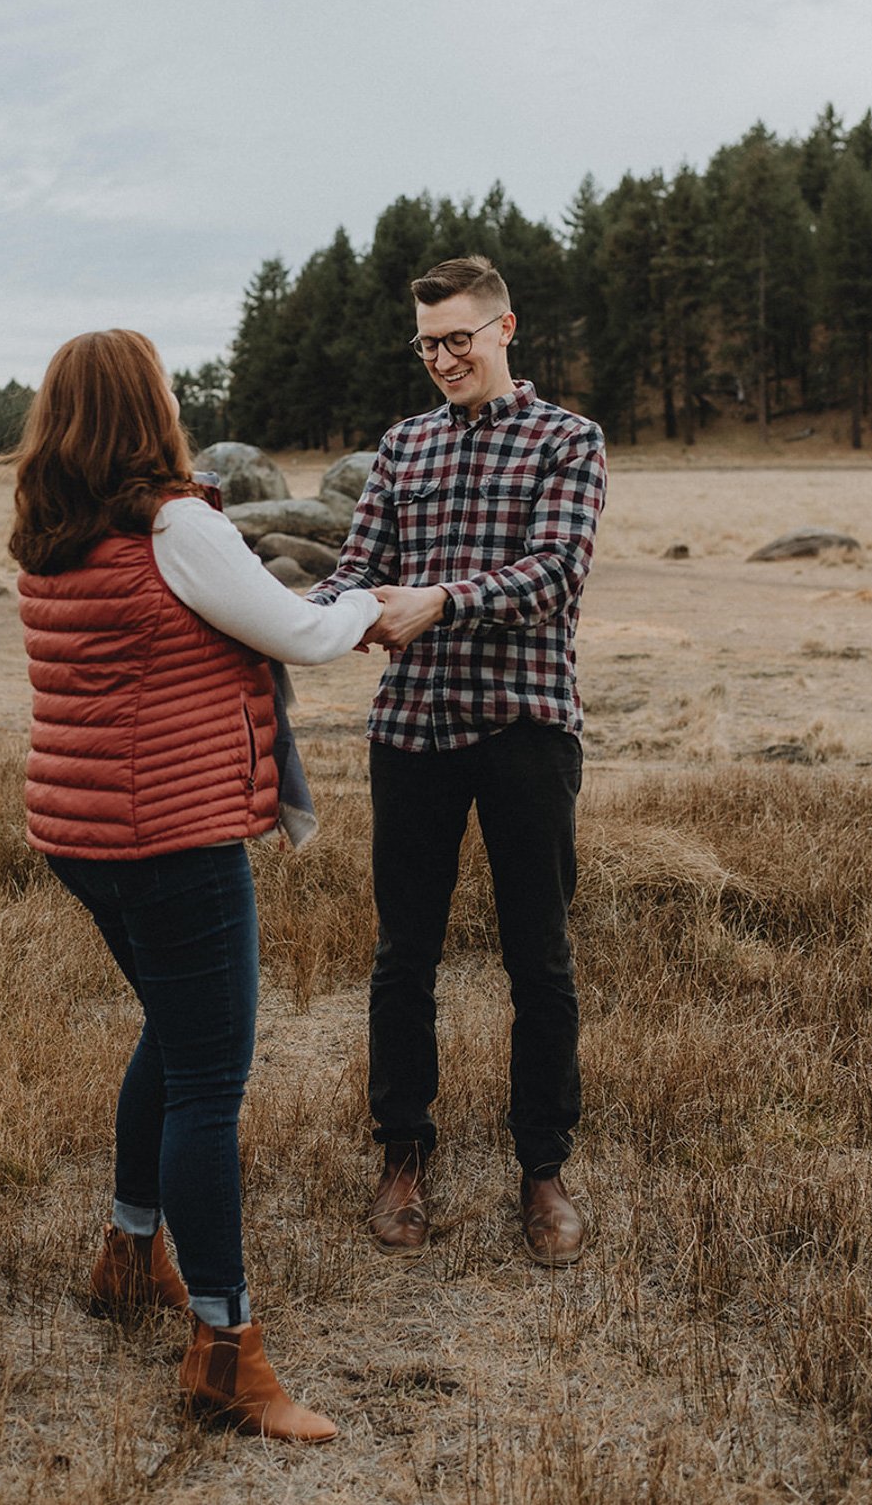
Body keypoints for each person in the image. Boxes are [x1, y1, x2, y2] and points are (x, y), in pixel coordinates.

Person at [5, 328, 382, 1443]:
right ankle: (226, 1348)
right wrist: (377, 602)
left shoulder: (52, 532)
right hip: (171, 836)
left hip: (84, 833)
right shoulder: (178, 524)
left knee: (173, 1037)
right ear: (149, 410)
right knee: (210, 1077)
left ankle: (129, 1251)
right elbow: (304, 633)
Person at [308, 256, 607, 1267]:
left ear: (505, 328)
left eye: (459, 339)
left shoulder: (568, 440)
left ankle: (543, 1167)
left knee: (540, 958)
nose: (443, 358)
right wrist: (313, 615)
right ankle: (402, 1154)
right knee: (404, 956)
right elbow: (358, 565)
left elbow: (555, 572)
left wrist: (438, 598)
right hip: (413, 734)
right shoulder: (401, 447)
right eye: (428, 342)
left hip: (526, 729)